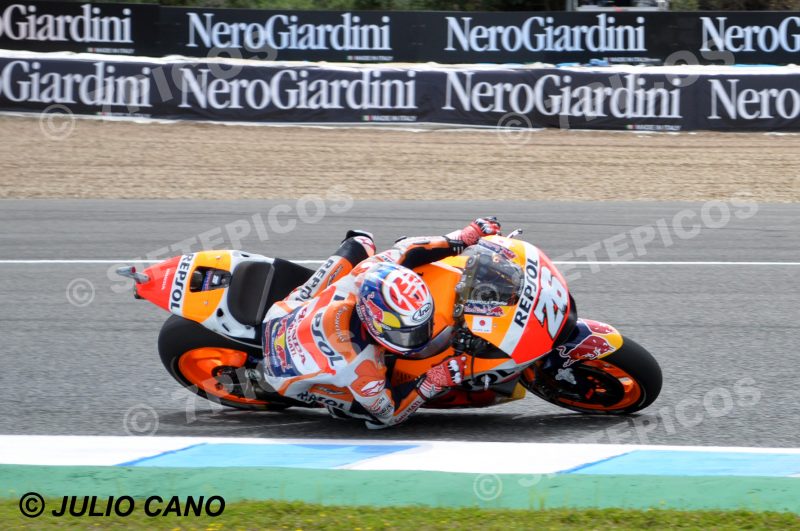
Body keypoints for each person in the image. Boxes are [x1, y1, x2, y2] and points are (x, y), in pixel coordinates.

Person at [261, 218, 502, 429]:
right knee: (364, 412)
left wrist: (463, 237)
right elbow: (389, 414)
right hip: (282, 371)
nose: (421, 336)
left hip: (288, 309)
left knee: (361, 242)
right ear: (374, 323)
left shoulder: (371, 270)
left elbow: (408, 248)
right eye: (407, 333)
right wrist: (432, 381)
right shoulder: (362, 366)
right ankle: (336, 404)